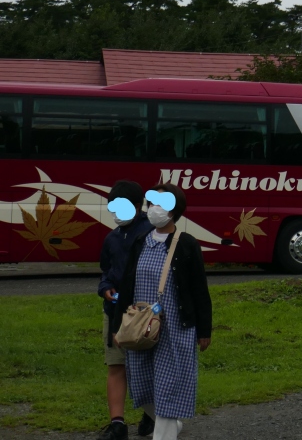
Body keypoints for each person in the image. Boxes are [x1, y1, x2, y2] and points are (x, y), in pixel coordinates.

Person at [110, 183, 212, 440]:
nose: (155, 209)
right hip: (139, 327)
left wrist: (204, 330)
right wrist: (117, 326)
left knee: (169, 386)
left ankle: (165, 433)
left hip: (175, 329)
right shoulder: (140, 242)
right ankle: (170, 424)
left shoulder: (187, 244)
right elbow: (127, 285)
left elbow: (199, 289)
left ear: (175, 210)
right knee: (141, 385)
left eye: (162, 204)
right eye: (152, 203)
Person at [96, 180, 152, 440]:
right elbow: (107, 271)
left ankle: (152, 414)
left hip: (144, 313)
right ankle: (117, 423)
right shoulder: (112, 238)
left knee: (148, 365)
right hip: (115, 311)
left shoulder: (152, 234)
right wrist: (105, 287)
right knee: (116, 364)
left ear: (138, 207)